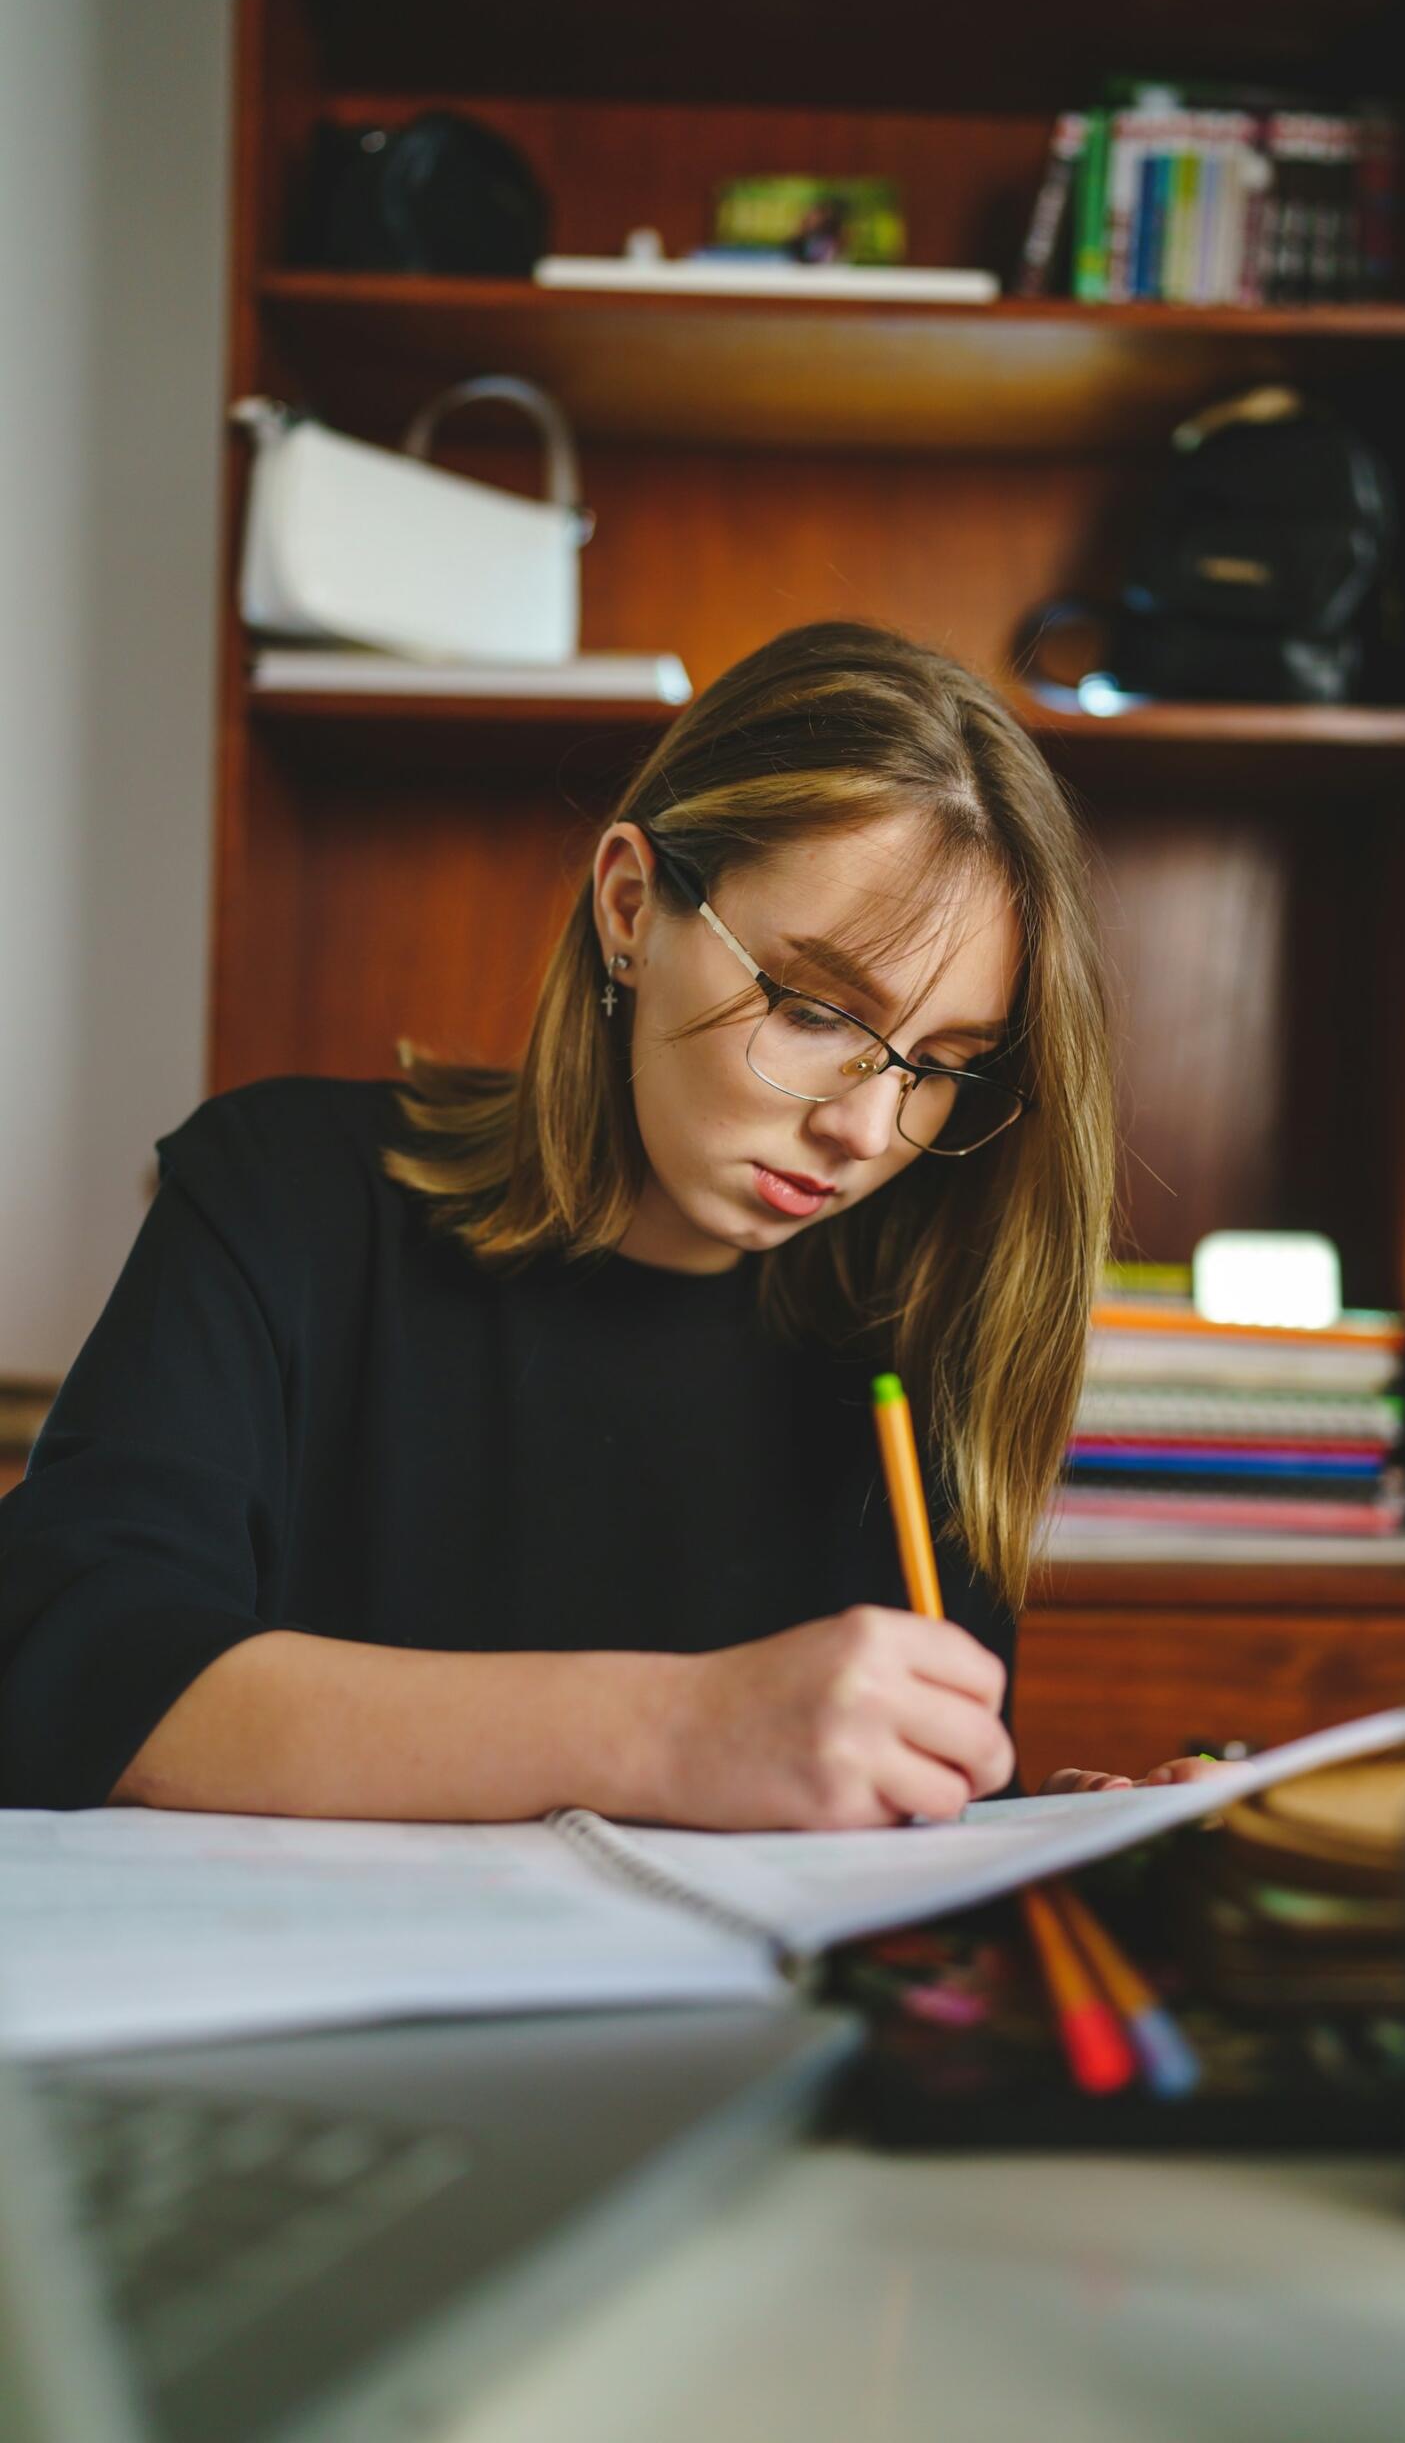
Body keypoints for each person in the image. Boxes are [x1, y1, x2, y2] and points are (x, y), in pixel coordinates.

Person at [0, 620, 1207, 1824]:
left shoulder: (919, 1316)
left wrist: (1042, 1820)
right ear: (632, 906)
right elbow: (67, 1664)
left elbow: (902, 1805)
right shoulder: (284, 1195)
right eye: (818, 1011)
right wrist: (668, 1733)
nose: (868, 1130)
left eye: (941, 1064)